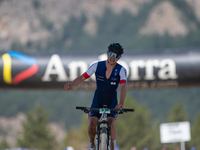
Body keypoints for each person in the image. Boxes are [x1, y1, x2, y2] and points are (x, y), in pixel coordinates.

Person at [64, 43, 127, 150]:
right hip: (98, 100)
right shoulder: (97, 65)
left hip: (112, 100)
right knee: (92, 123)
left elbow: (123, 86)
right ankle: (92, 144)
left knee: (111, 123)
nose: (112, 57)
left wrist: (121, 103)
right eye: (111, 54)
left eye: (115, 55)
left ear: (119, 57)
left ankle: (112, 146)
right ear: (107, 53)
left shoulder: (121, 70)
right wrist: (71, 84)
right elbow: (82, 78)